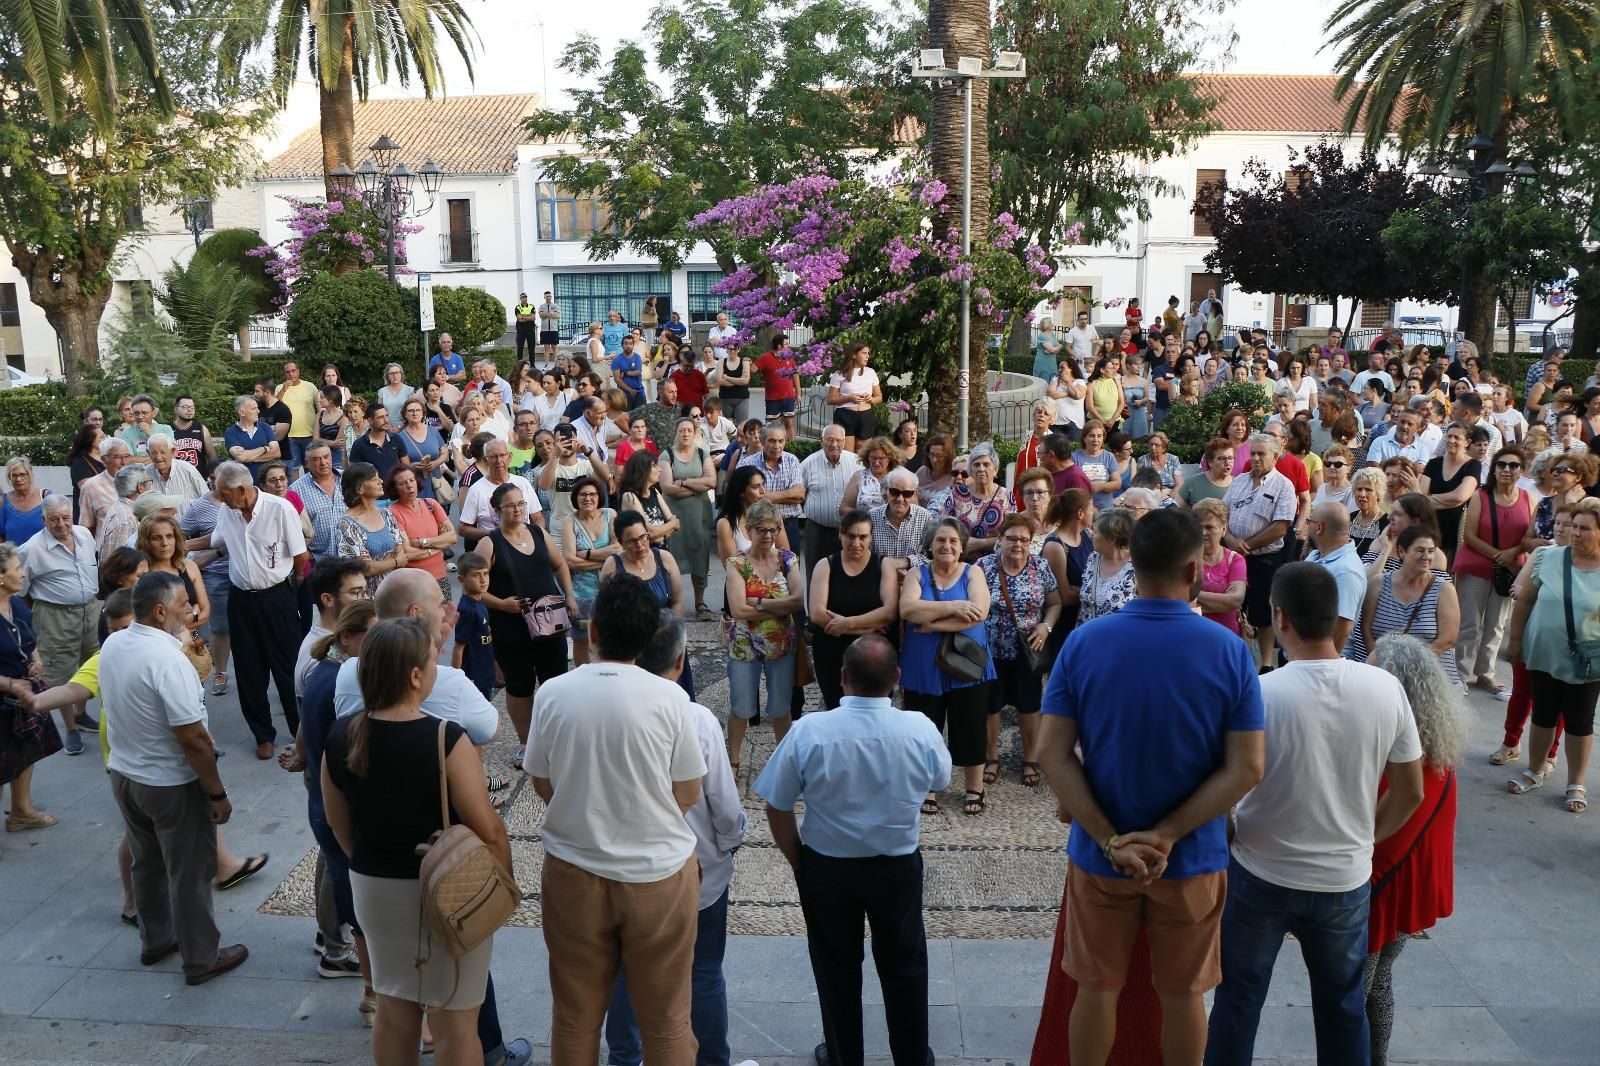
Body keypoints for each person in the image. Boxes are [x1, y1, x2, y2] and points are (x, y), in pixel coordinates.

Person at [1036, 507, 1265, 1066]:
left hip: (1100, 854)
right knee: (1184, 997)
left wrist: (1113, 839)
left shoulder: (1085, 643)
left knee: (1096, 989)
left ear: (1132, 565)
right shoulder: (1229, 651)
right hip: (1191, 856)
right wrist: (1166, 834)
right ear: (1193, 572)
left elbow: (1050, 753)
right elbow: (1246, 768)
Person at [1206, 563, 1424, 1066]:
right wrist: (1363, 837)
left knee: (1238, 1001)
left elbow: (1222, 788)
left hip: (1261, 870)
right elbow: (1409, 793)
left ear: (1280, 618)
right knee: (1343, 1008)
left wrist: (1230, 832)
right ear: (1339, 620)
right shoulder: (1385, 689)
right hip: (1343, 879)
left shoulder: (1259, 695)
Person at [523, 573, 707, 1066]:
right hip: (658, 876)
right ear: (650, 638)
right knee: (667, 1023)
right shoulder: (672, 701)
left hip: (573, 871)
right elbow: (688, 791)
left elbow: (541, 782)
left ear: (594, 630)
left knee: (575, 1018)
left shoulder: (553, 694)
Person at [322, 617, 510, 1062]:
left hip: (373, 887)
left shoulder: (341, 734)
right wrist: (500, 885)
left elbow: (338, 824)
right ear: (414, 676)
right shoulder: (445, 738)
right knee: (457, 1020)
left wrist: (371, 864)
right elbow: (490, 829)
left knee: (394, 1009)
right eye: (432, 662)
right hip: (445, 892)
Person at [755, 635, 947, 1066]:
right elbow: (943, 780)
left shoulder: (810, 732)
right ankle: (913, 1057)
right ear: (897, 679)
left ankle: (844, 1057)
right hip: (896, 866)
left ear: (842, 678)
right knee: (906, 967)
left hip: (827, 868)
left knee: (836, 969)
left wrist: (798, 860)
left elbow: (776, 804)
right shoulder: (918, 728)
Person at [603, 612, 746, 1066]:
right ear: (681, 660)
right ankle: (712, 1061)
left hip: (625, 870)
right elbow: (724, 806)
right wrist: (730, 842)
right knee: (703, 973)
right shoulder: (697, 718)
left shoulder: (605, 713)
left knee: (626, 971)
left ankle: (625, 1057)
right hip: (695, 873)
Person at [102, 571, 249, 985]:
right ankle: (201, 957)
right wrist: (216, 794)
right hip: (168, 784)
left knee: (146, 861)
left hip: (125, 775)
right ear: (161, 610)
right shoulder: (168, 661)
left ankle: (156, 940)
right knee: (190, 872)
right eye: (185, 603)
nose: (192, 610)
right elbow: (194, 741)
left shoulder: (116, 642)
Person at [1364, 634, 1468, 1066]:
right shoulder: (1438, 753)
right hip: (1411, 890)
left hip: (1379, 894)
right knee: (1380, 981)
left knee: (1351, 993)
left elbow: (1373, 838)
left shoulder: (1397, 760)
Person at [201, 462, 309, 760]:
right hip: (242, 599)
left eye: (223, 493)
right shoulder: (228, 510)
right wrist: (178, 546)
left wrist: (291, 587)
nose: (219, 499)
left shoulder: (280, 509)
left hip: (277, 597)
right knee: (249, 669)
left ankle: (301, 730)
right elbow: (215, 542)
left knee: (287, 666)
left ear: (240, 489)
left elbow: (301, 557)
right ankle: (263, 735)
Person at [1506, 496, 1600, 812]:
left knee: (1579, 721)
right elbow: (1525, 600)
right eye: (1573, 526)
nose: (1575, 533)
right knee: (1543, 714)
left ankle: (1576, 783)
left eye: (1584, 528)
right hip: (1543, 653)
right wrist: (1515, 642)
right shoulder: (1549, 556)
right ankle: (1534, 770)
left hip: (1584, 662)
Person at [475, 482, 577, 764]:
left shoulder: (538, 532)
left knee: (555, 682)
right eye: (511, 505)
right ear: (497, 511)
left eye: (521, 504)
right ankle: (526, 742)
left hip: (549, 622)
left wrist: (569, 596)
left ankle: (555, 740)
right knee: (519, 686)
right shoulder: (489, 543)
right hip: (512, 627)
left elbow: (559, 565)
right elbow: (476, 589)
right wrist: (502, 604)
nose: (518, 509)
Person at [899, 518, 994, 817]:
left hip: (965, 660)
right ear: (930, 545)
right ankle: (928, 788)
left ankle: (974, 787)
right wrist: (953, 608)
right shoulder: (917, 573)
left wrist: (930, 624)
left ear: (962, 546)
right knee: (924, 726)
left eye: (953, 540)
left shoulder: (973, 572)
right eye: (941, 540)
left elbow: (978, 613)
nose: (947, 546)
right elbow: (907, 609)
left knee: (971, 724)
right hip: (921, 663)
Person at [979, 513, 1061, 789]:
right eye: (1011, 538)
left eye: (1024, 539)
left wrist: (1045, 627)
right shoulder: (984, 566)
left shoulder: (1040, 566)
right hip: (990, 651)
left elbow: (1055, 603)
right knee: (991, 707)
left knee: (1029, 707)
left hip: (1028, 651)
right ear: (1000, 540)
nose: (1017, 544)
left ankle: (1030, 759)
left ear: (1031, 542)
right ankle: (991, 757)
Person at [723, 499, 803, 771]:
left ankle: (784, 762)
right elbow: (737, 609)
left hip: (781, 645)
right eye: (761, 530)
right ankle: (733, 760)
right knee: (742, 707)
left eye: (773, 529)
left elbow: (797, 601)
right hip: (745, 646)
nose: (768, 536)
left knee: (781, 708)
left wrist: (758, 603)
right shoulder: (736, 563)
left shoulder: (788, 559)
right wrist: (777, 607)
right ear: (750, 529)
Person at [19, 497, 100, 754]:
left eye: (65, 517)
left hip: (91, 610)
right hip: (55, 616)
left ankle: (81, 713)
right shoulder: (32, 549)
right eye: (53, 519)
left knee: (94, 663)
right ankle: (71, 729)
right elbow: (19, 590)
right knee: (62, 673)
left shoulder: (85, 534)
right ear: (43, 520)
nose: (61, 524)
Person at [1453, 447, 1531, 696]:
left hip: (1508, 571)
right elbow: (1470, 536)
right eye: (1501, 464)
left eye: (1513, 465)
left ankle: (1485, 673)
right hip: (1476, 566)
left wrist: (1513, 554)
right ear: (1494, 468)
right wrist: (1502, 556)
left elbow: (1530, 538)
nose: (1506, 469)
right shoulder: (1480, 496)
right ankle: (1461, 674)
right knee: (1470, 623)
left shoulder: (1529, 499)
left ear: (1521, 470)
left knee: (1497, 625)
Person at [808, 508, 896, 714]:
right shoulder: (826, 565)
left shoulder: (884, 565)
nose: (856, 543)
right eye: (850, 536)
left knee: (876, 712)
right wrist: (867, 626)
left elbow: (890, 611)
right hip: (832, 652)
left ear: (871, 537)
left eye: (863, 537)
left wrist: (846, 624)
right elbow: (817, 614)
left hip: (874, 654)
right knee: (836, 711)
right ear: (840, 534)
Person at [0, 541, 61, 831]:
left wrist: (36, 660)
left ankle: (21, 812)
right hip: (6, 695)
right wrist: (11, 684)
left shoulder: (16, 605)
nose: (23, 574)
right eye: (16, 569)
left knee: (24, 752)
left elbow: (30, 640)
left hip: (21, 696)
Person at [1224, 433, 1297, 670]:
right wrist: (1231, 541)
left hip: (1265, 558)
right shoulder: (1239, 480)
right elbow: (1223, 514)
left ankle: (1266, 664)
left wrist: (1247, 545)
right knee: (1236, 608)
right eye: (1252, 453)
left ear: (1275, 456)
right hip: (1235, 557)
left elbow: (1281, 527)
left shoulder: (1284, 485)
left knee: (1264, 613)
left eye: (1261, 454)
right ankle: (1240, 659)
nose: (1255, 458)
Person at [1360, 525, 1461, 690]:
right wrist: (1382, 664)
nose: (1427, 557)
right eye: (1420, 550)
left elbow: (1447, 639)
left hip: (1429, 677)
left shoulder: (1444, 589)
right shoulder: (1378, 583)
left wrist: (1408, 667)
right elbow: (1366, 630)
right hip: (1382, 674)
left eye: (1431, 551)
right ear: (1401, 552)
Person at [658, 418, 715, 616]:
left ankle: (700, 603)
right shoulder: (667, 455)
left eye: (689, 430)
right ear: (676, 432)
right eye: (682, 430)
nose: (686, 433)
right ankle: (673, 602)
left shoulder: (702, 453)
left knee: (700, 558)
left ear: (694, 432)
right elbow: (667, 488)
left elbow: (712, 481)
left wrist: (683, 481)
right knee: (672, 560)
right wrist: (697, 487)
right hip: (675, 518)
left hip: (700, 517)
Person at [799, 425, 860, 581]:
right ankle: (814, 606)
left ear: (844, 441)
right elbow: (799, 495)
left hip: (848, 530)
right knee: (815, 575)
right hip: (817, 529)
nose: (834, 445)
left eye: (839, 440)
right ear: (821, 441)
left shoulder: (856, 463)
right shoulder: (808, 464)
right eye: (830, 440)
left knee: (847, 575)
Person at [387, 465, 456, 601]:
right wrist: (440, 544)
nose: (409, 486)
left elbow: (453, 537)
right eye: (402, 483)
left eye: (412, 480)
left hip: (440, 577)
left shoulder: (431, 504)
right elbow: (407, 553)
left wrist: (421, 542)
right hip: (413, 583)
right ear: (395, 488)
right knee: (420, 621)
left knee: (445, 619)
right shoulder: (393, 513)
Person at [936, 440, 1012, 560]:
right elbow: (942, 526)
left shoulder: (1006, 496)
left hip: (995, 564)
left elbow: (1012, 536)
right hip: (960, 562)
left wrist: (979, 544)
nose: (981, 469)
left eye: (986, 464)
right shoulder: (958, 493)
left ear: (995, 470)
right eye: (976, 465)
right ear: (970, 470)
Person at [738, 424, 805, 551]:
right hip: (759, 526)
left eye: (781, 441)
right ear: (762, 441)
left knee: (790, 566)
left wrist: (762, 496)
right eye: (772, 441)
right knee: (761, 568)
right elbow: (745, 496)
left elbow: (800, 495)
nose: (777, 446)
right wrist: (789, 494)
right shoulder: (747, 463)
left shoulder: (792, 460)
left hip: (789, 524)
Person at [1193, 498, 1247, 636]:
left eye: (1209, 527)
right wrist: (1221, 603)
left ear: (1224, 529)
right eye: (1198, 527)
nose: (1203, 532)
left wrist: (1191, 596)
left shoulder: (1234, 560)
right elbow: (1175, 599)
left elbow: (1235, 600)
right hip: (1193, 634)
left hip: (1227, 636)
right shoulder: (1185, 558)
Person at [1078, 508, 1138, 623]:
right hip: (1088, 636)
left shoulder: (1138, 567)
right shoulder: (1093, 558)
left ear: (1112, 539)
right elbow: (1084, 607)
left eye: (1095, 532)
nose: (1091, 535)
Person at [868, 467, 932, 571]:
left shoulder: (926, 518)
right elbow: (865, 556)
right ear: (886, 491)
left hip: (914, 582)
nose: (900, 499)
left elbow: (930, 557)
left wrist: (904, 563)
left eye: (907, 494)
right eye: (894, 492)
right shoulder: (871, 517)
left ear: (915, 494)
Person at [826, 342, 882, 451]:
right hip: (845, 415)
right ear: (854, 355)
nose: (867, 356)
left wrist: (871, 399)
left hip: (866, 416)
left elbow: (879, 397)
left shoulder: (871, 372)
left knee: (863, 453)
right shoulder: (839, 374)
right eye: (864, 353)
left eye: (868, 353)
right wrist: (850, 398)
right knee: (847, 453)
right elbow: (830, 399)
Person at [755, 334, 800, 439]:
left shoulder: (789, 358)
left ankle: (791, 447)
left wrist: (798, 393)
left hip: (788, 397)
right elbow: (754, 369)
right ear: (779, 346)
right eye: (786, 344)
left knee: (789, 423)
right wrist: (747, 363)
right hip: (772, 399)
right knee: (772, 426)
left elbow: (795, 375)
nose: (788, 346)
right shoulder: (765, 358)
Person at [1178, 438, 1235, 509]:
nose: (1227, 463)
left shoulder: (1238, 485)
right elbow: (1174, 512)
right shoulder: (1192, 483)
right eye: (1221, 458)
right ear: (1210, 462)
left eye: (1230, 458)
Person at [1, 457, 45, 546]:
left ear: (29, 475)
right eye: (14, 475)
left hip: (43, 557)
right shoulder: (4, 502)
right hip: (14, 558)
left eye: (22, 474)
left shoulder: (45, 497)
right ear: (9, 478)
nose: (18, 479)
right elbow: (1, 537)